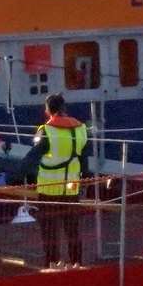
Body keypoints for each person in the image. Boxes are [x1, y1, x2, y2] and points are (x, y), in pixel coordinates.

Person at [19, 93, 91, 268]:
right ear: (64, 108)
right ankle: (76, 263)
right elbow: (84, 160)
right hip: (72, 186)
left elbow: (30, 159)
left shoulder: (46, 130)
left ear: (48, 110)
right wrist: (85, 179)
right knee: (72, 227)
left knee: (50, 228)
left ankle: (52, 262)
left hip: (49, 188)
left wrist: (23, 175)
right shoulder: (81, 129)